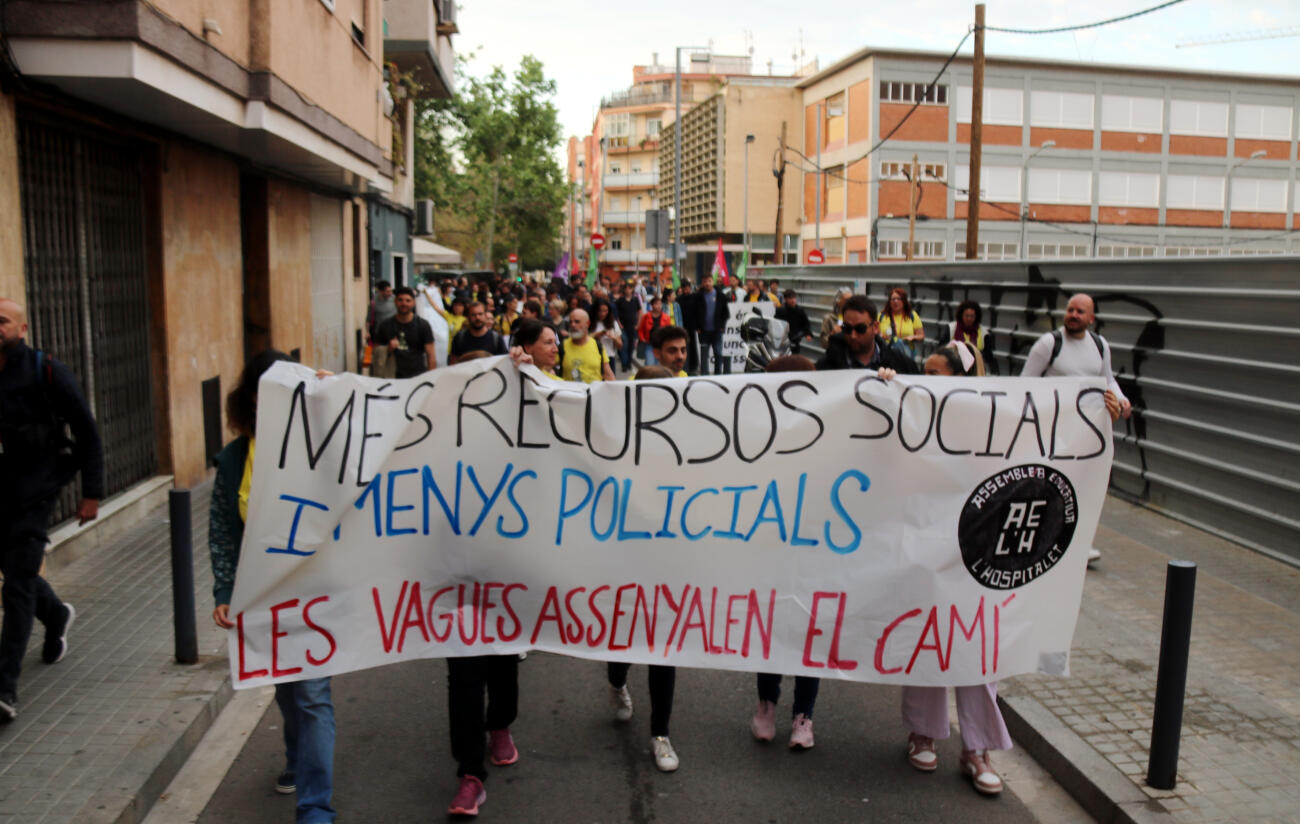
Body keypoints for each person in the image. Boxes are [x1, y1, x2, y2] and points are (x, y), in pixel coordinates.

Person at [209, 349, 337, 823]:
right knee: (287, 691)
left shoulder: (322, 444)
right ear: (252, 399)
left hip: (317, 589)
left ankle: (315, 805)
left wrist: (338, 397)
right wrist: (225, 590)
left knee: (312, 696)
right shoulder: (235, 459)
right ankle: (297, 757)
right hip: (267, 595)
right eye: (268, 393)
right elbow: (223, 528)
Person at [0, 298, 100, 722]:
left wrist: (91, 492)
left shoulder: (47, 370)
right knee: (14, 571)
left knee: (17, 584)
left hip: (36, 489)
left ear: (22, 329)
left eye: (3, 321)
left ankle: (5, 689)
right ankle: (56, 615)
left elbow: (87, 431)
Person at [1020, 293, 1131, 563]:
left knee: (1082, 486)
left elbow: (1108, 379)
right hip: (1051, 432)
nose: (1073, 315)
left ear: (1091, 318)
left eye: (1080, 312)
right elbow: (1024, 383)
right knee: (1051, 486)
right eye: (1070, 310)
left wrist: (1121, 399)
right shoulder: (1049, 344)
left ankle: (1080, 543)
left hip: (1085, 432)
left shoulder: (1100, 345)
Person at [749, 351, 821, 750]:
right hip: (770, 547)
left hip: (816, 547)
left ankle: (803, 716)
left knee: (810, 630)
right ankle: (766, 705)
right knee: (772, 627)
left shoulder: (830, 428)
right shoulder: (758, 431)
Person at [815, 295, 919, 373]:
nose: (853, 335)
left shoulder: (900, 364)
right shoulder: (826, 367)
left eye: (860, 329)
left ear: (875, 327)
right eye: (847, 328)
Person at [374, 286, 436, 378]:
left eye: (408, 300)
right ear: (395, 302)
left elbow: (431, 355)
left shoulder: (423, 325)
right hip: (392, 377)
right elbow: (376, 352)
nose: (404, 303)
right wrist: (388, 349)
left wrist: (431, 379)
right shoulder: (385, 325)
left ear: (413, 303)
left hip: (417, 377)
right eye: (400, 300)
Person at [685, 274, 730, 375]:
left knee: (718, 353)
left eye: (709, 281)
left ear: (713, 282)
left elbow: (725, 313)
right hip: (703, 331)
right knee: (704, 355)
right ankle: (705, 374)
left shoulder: (720, 296)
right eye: (705, 281)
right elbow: (694, 313)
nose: (707, 284)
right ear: (702, 283)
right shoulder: (698, 297)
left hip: (717, 330)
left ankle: (718, 374)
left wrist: (722, 326)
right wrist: (697, 327)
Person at [559, 308, 615, 383]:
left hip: (594, 390)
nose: (573, 325)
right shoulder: (562, 346)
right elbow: (548, 369)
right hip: (569, 390)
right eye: (570, 322)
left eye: (577, 322)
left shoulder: (597, 346)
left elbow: (608, 374)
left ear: (587, 323)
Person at [942, 300, 997, 374]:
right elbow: (941, 349)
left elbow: (989, 356)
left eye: (972, 316)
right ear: (961, 315)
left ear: (976, 317)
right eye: (966, 316)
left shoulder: (983, 332)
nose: (969, 319)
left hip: (975, 371)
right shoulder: (952, 328)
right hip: (954, 370)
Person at [878, 287, 925, 359]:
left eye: (899, 299)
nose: (895, 301)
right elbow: (874, 332)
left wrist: (913, 337)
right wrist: (880, 335)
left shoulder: (912, 315)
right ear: (889, 301)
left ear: (904, 301)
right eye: (893, 299)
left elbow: (921, 336)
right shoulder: (882, 316)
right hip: (886, 354)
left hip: (906, 354)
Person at [773, 289, 813, 355]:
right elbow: (775, 324)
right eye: (790, 298)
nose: (793, 300)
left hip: (795, 340)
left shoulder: (800, 310)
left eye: (794, 298)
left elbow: (806, 323)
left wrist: (808, 334)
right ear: (785, 299)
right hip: (782, 341)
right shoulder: (780, 310)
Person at [614, 282, 641, 374]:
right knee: (624, 346)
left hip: (633, 326)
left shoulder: (635, 300)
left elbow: (639, 311)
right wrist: (619, 324)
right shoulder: (620, 301)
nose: (627, 290)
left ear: (632, 289)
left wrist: (638, 323)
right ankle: (624, 364)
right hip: (623, 327)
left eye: (629, 288)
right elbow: (616, 314)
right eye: (626, 288)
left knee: (631, 346)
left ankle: (629, 362)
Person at [636, 297, 671, 365]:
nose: (659, 306)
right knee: (649, 363)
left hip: (661, 344)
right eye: (656, 304)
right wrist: (642, 338)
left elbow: (669, 331)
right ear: (652, 305)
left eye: (660, 304)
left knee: (659, 364)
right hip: (649, 343)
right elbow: (641, 329)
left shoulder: (666, 317)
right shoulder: (646, 316)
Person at [590, 299, 623, 370]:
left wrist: (613, 338)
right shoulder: (590, 323)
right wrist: (596, 335)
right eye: (600, 311)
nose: (603, 314)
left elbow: (620, 345)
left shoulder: (613, 324)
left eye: (605, 311)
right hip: (592, 357)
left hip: (609, 357)